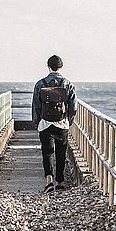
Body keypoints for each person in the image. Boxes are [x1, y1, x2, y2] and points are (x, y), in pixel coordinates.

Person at [32, 55, 77, 193]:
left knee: (47, 153)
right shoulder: (67, 83)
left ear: (48, 66)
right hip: (62, 124)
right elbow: (73, 106)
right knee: (60, 153)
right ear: (61, 66)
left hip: (45, 123)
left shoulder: (40, 84)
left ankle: (49, 182)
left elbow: (36, 106)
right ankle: (60, 182)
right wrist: (68, 121)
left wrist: (37, 122)